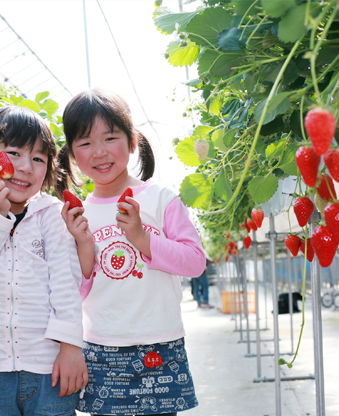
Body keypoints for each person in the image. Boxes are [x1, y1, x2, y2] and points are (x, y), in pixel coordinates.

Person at [57, 88, 206, 416]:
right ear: (71, 154)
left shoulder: (160, 198)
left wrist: (142, 238)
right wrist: (83, 245)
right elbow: (74, 291)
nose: (99, 152)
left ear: (132, 141)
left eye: (109, 138)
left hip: (160, 344)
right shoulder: (76, 214)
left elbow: (195, 262)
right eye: (85, 143)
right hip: (103, 348)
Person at [0, 106, 87, 415]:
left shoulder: (52, 214)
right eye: (13, 153)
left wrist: (71, 347)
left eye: (38, 158)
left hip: (49, 367)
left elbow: (66, 285)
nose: (25, 167)